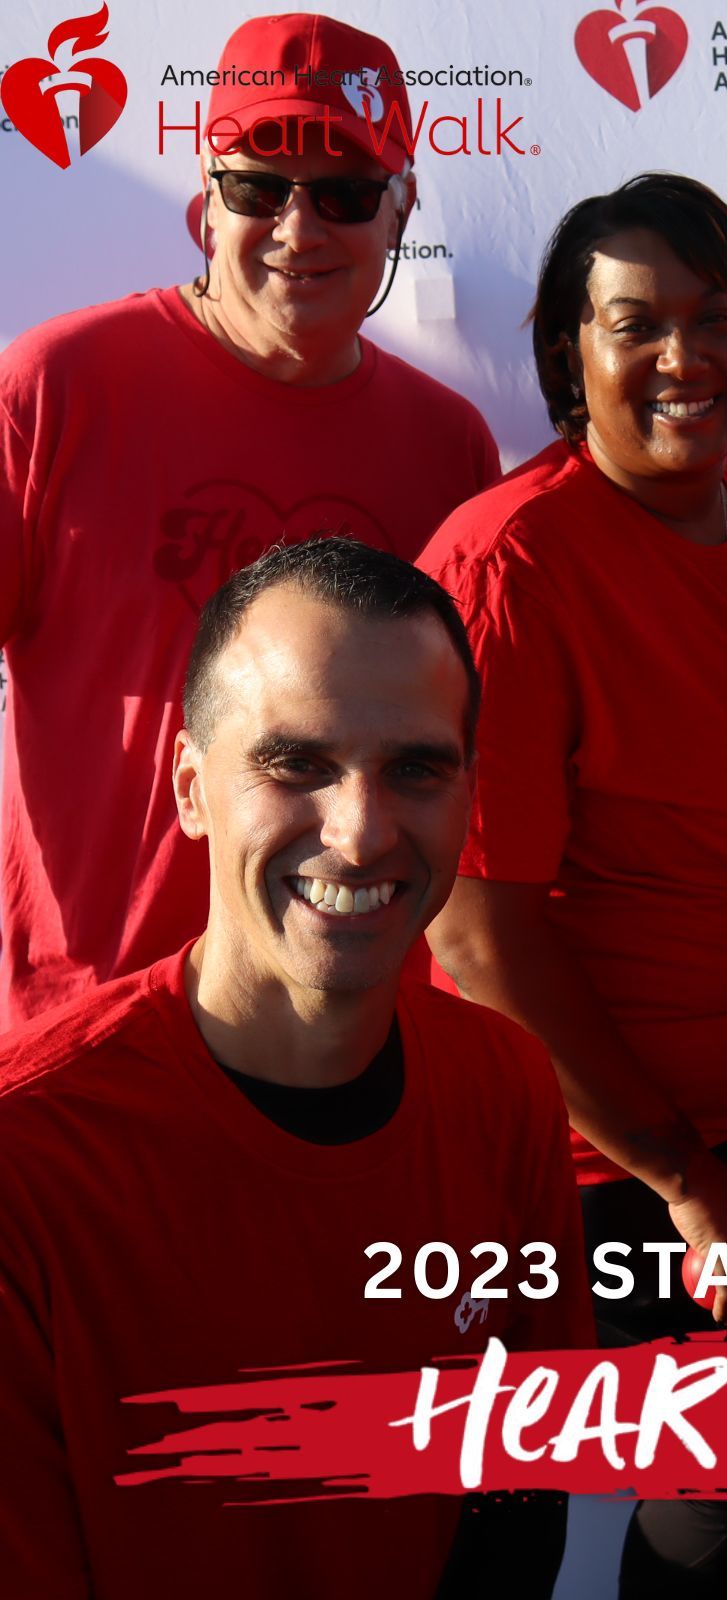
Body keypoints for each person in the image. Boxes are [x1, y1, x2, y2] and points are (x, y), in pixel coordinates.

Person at [421, 173, 727, 1596]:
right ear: (571, 357)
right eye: (638, 324)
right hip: (610, 1164)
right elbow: (479, 934)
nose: (685, 357)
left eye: (721, 321)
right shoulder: (509, 568)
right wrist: (680, 1181)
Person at [0, 539, 590, 1597]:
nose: (359, 832)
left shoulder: (504, 1085)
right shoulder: (30, 1167)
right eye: (295, 764)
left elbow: (516, 1472)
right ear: (189, 786)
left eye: (415, 767)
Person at [0, 12, 500, 1028]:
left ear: (399, 211)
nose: (298, 229)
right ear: (205, 206)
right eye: (258, 188)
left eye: (345, 195)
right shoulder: (55, 388)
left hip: (352, 1028)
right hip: (95, 1026)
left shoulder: (449, 445)